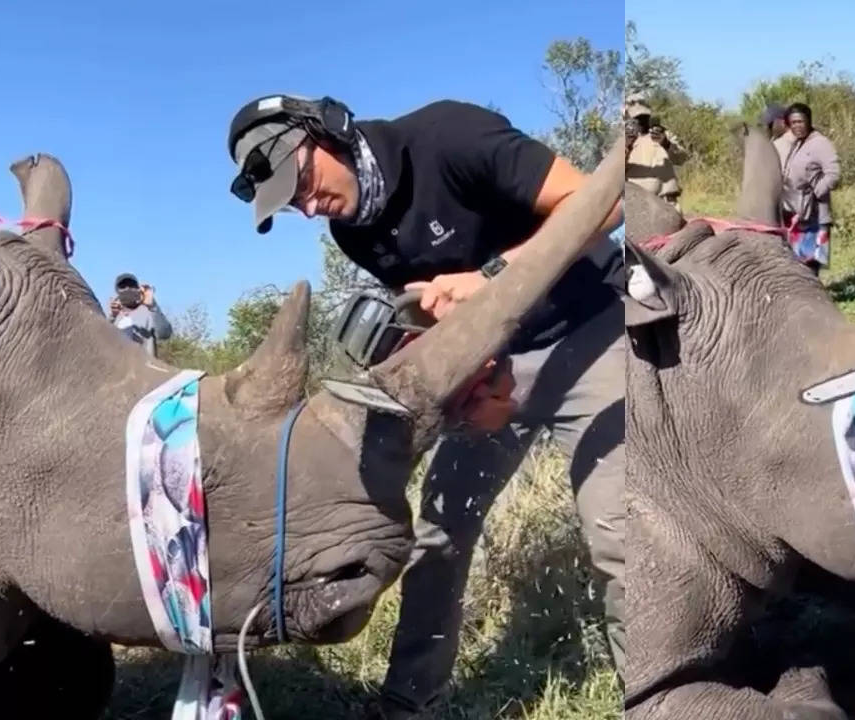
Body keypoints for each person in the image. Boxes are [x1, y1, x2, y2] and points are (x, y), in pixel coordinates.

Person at [224, 93, 626, 718]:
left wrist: (494, 276)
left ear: (327, 131)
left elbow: (601, 200)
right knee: (437, 537)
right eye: (292, 204)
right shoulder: (352, 231)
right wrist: (478, 390)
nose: (307, 207)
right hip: (499, 364)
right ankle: (409, 703)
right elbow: (434, 324)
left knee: (621, 535)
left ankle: (659, 691)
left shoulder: (449, 136)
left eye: (300, 183)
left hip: (592, 332)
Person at [778, 102, 840, 274]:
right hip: (796, 214)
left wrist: (814, 194)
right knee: (797, 264)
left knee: (811, 264)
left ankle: (815, 298)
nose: (797, 126)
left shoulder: (820, 143)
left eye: (801, 121)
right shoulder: (798, 143)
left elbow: (833, 174)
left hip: (814, 215)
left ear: (809, 121)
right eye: (793, 123)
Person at [624, 96, 689, 211]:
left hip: (668, 204)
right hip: (639, 207)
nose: (641, 121)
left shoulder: (664, 135)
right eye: (637, 118)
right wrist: (627, 145)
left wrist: (665, 143)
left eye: (644, 117)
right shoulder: (624, 141)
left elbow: (682, 158)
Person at [108, 273, 172, 357]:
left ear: (139, 289)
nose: (127, 288)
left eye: (131, 285)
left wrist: (152, 306)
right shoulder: (115, 316)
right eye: (123, 286)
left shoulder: (149, 312)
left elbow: (164, 334)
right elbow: (103, 341)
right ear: (117, 291)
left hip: (144, 367)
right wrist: (112, 317)